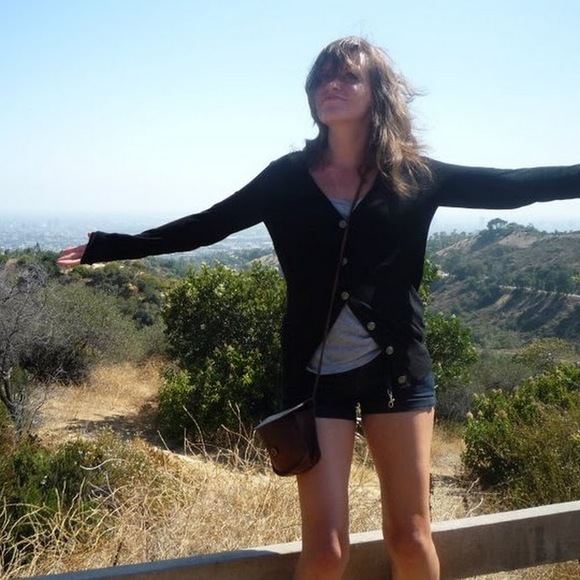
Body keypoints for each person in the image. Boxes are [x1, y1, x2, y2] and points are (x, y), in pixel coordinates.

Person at [58, 36, 580, 579]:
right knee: (327, 549)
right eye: (322, 77)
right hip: (315, 379)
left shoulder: (414, 176)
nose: (332, 84)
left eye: (349, 76)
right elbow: (208, 225)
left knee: (409, 536)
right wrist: (109, 247)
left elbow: (515, 187)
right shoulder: (286, 177)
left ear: (377, 92)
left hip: (398, 374)